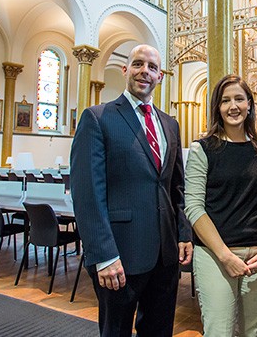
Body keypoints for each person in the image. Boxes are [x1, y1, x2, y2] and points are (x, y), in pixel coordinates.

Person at [70, 44, 193, 337]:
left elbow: (177, 186)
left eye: (152, 67)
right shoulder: (98, 118)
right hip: (121, 254)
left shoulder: (170, 124)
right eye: (138, 64)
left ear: (160, 76)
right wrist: (104, 255)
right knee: (116, 331)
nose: (144, 72)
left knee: (159, 330)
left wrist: (184, 233)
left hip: (165, 254)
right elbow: (88, 194)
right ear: (125, 70)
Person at [184, 74, 257, 337]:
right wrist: (226, 256)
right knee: (219, 332)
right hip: (215, 255)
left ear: (250, 104)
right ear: (217, 107)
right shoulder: (202, 149)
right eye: (225, 100)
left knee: (252, 331)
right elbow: (193, 206)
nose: (233, 106)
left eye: (239, 98)